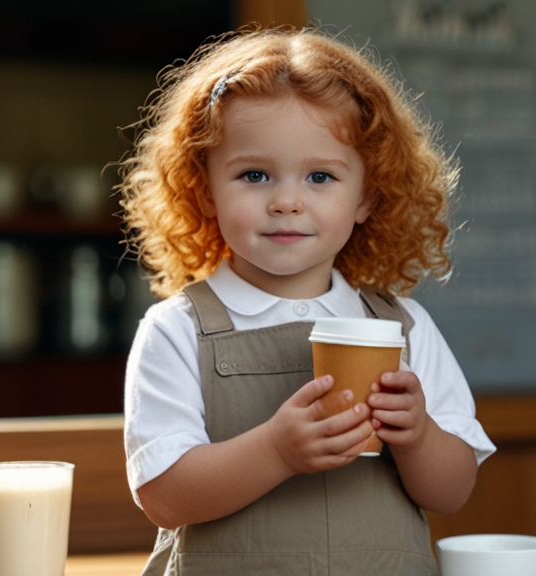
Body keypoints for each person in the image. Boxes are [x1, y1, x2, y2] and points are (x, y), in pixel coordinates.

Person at [116, 25, 496, 576]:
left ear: (367, 196)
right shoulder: (177, 330)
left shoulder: (404, 327)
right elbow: (164, 496)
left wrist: (418, 436)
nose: (287, 202)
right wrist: (276, 450)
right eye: (254, 175)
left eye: (320, 176)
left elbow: (454, 489)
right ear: (205, 190)